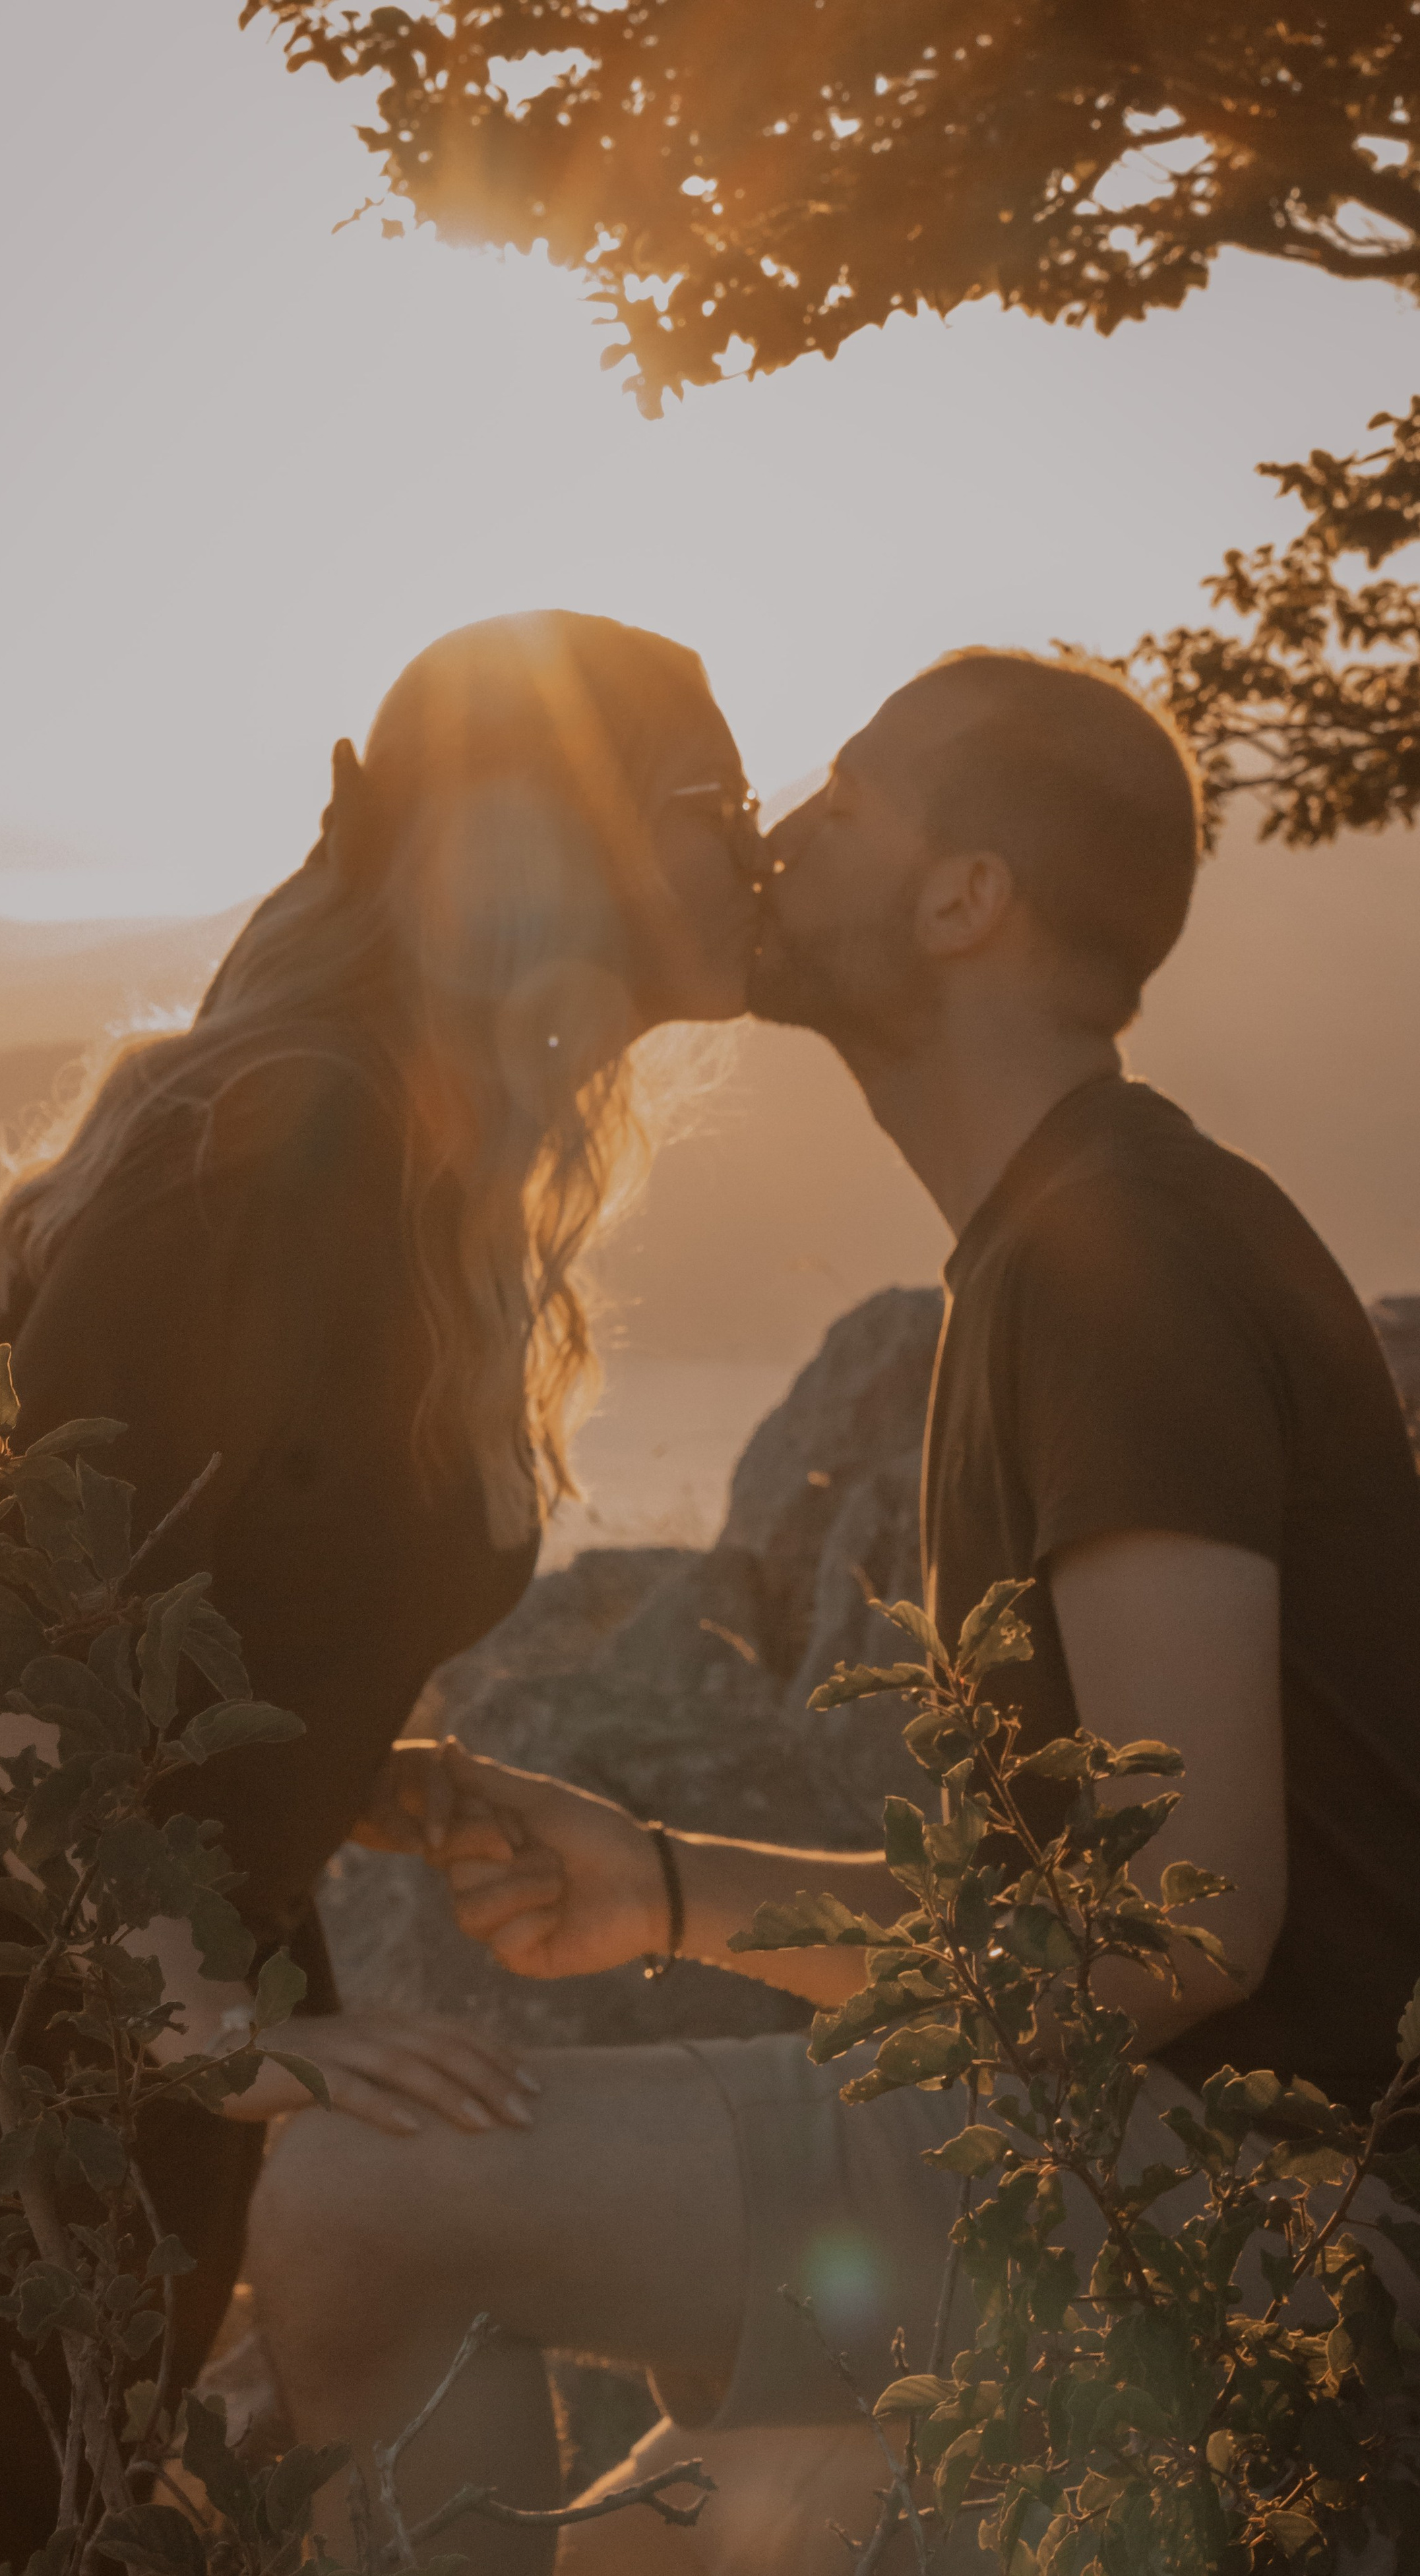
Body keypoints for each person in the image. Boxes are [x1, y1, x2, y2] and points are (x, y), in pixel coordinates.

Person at [250, 650, 1420, 2573]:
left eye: (845, 801)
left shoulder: (1124, 1262)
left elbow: (1183, 1924)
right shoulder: (1063, 1239)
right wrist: (660, 1886)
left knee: (362, 2200)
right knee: (643, 2546)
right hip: (1145, 2165)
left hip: (1278, 2228)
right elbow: (1071, 1919)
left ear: (966, 900)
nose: (779, 835)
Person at [0, 611, 764, 2573]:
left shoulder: (433, 1151)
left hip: (69, 1972)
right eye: (717, 795)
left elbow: (221, 1567)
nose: (754, 845)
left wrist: (336, 1762)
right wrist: (196, 2018)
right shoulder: (296, 1135)